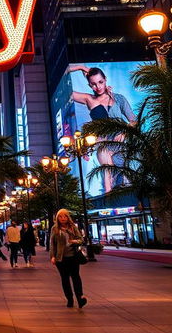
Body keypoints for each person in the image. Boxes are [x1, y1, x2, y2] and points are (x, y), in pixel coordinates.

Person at [68, 65, 136, 193]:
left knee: (127, 178)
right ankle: (109, 202)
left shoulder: (119, 98)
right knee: (107, 176)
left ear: (105, 80)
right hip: (103, 143)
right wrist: (80, 67)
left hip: (120, 143)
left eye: (100, 82)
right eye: (93, 84)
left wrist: (125, 132)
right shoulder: (89, 99)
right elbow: (64, 84)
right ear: (89, 85)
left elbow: (134, 120)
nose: (98, 87)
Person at [50, 209, 87, 308]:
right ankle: (69, 299)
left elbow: (81, 240)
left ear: (68, 217)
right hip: (61, 258)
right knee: (65, 279)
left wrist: (73, 241)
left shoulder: (73, 227)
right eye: (60, 216)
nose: (63, 218)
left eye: (65, 216)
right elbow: (52, 244)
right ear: (57, 218)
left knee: (76, 277)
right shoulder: (55, 228)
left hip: (73, 257)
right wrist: (52, 256)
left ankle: (80, 299)